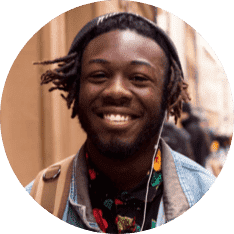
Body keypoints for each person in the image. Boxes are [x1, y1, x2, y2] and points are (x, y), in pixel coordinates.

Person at [25, 12, 216, 233]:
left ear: (168, 95)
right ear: (75, 89)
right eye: (98, 75)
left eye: (139, 78)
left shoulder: (207, 196)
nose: (116, 90)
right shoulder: (38, 200)